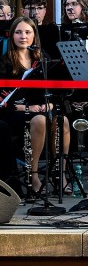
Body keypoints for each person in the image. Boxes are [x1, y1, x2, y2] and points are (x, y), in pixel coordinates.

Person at [0, 17, 71, 198]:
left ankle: (60, 174)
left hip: (40, 108)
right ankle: (34, 175)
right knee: (39, 120)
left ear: (34, 35)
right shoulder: (4, 61)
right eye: (18, 32)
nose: (23, 36)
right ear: (12, 35)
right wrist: (28, 109)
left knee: (62, 120)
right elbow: (4, 100)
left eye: (27, 32)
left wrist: (49, 103)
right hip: (15, 113)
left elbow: (54, 89)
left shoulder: (42, 58)